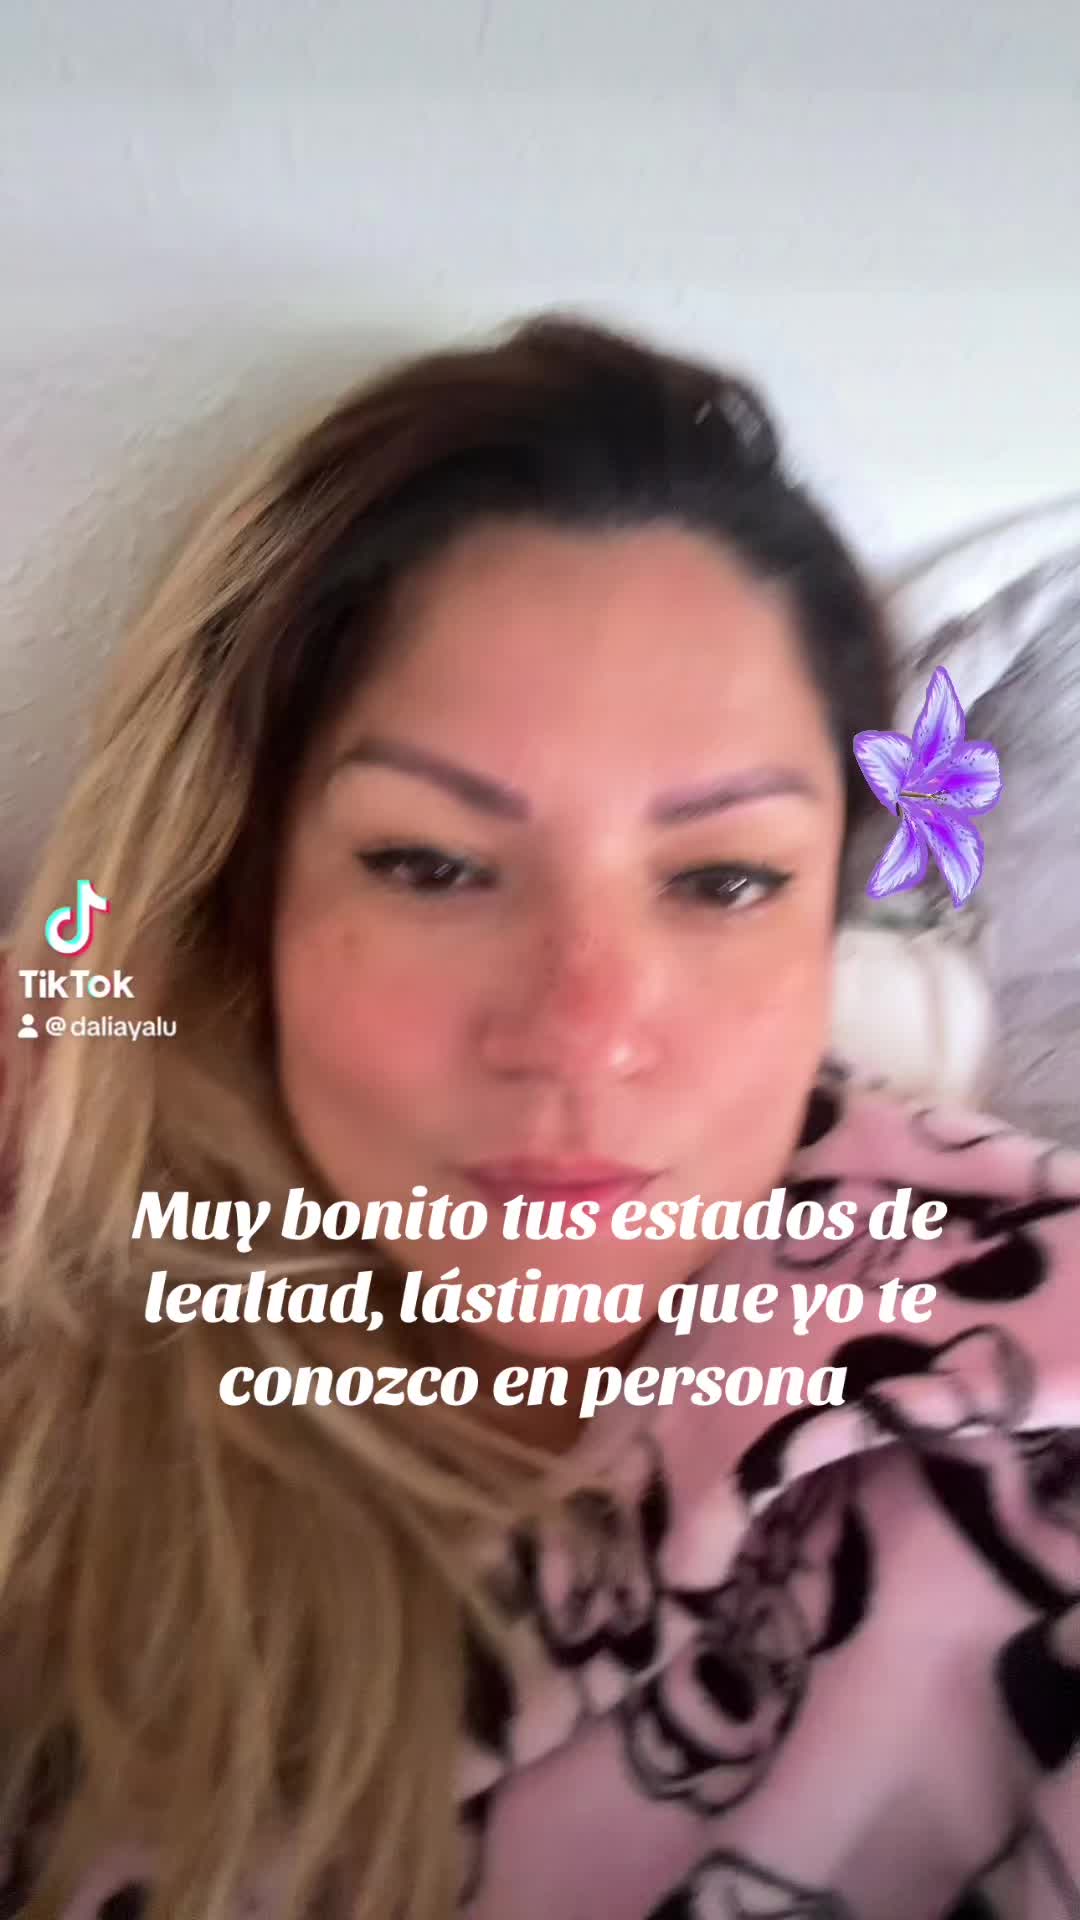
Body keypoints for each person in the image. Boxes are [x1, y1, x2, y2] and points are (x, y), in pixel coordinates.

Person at [1, 311, 1078, 1920]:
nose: (582, 1036)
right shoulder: (63, 1352)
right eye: (430, 865)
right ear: (242, 897)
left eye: (726, 880)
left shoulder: (1031, 1394)